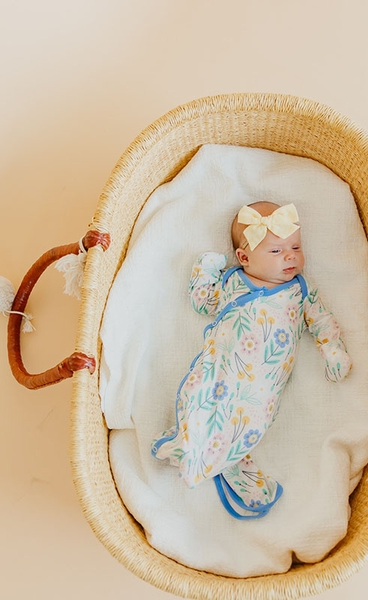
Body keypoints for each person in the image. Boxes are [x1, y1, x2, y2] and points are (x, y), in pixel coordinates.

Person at [151, 201, 353, 519]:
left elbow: (322, 321)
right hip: (220, 367)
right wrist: (206, 269)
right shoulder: (232, 282)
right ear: (244, 258)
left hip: (262, 384)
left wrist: (334, 351)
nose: (290, 256)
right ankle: (191, 444)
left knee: (249, 422)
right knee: (200, 396)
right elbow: (203, 303)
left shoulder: (300, 291)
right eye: (276, 251)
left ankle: (221, 458)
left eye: (295, 247)